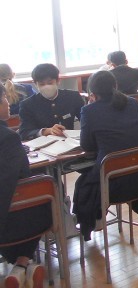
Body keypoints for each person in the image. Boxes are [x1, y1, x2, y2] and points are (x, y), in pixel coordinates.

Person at [72, 71, 138, 241]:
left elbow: (87, 146)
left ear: (92, 94)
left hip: (112, 185)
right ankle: (98, 217)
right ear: (116, 86)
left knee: (83, 183)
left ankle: (95, 218)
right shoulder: (133, 103)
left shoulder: (89, 110)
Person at [0, 83, 47, 288]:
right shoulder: (9, 138)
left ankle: (21, 268)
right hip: (11, 222)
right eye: (4, 98)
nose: (8, 102)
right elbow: (21, 175)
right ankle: (23, 262)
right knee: (41, 197)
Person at [18, 63, 84, 141]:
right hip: (43, 144)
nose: (46, 87)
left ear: (58, 81)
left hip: (70, 142)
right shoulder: (27, 105)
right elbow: (24, 133)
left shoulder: (73, 97)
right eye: (42, 84)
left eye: (50, 83)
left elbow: (86, 120)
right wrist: (45, 131)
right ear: (35, 84)